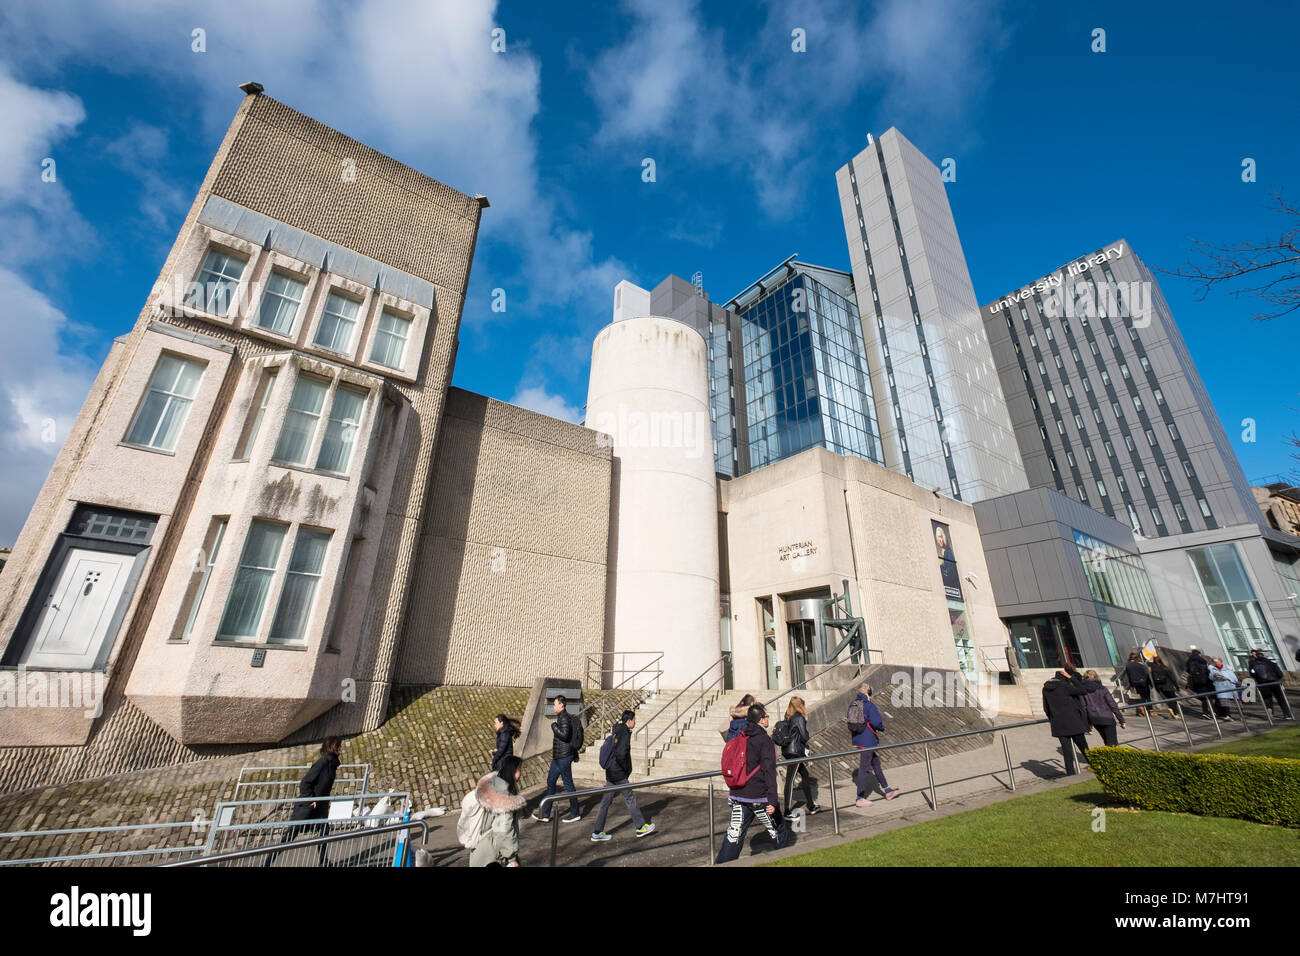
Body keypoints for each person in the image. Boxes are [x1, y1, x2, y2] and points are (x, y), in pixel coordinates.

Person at [715, 703, 789, 863]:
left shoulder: (740, 735)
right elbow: (769, 771)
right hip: (759, 795)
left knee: (734, 834)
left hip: (738, 793)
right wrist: (772, 800)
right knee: (778, 830)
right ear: (762, 720)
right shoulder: (764, 740)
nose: (768, 719)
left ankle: (723, 863)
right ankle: (785, 859)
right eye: (766, 717)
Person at [265, 735, 341, 867]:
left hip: (320, 807)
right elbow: (305, 782)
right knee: (289, 836)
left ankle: (323, 861)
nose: (341, 749)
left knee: (324, 831)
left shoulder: (332, 764)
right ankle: (266, 864)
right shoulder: (323, 762)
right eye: (339, 746)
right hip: (308, 807)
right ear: (333, 747)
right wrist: (311, 800)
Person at [591, 711, 656, 842]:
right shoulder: (624, 733)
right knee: (630, 798)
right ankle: (640, 827)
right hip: (618, 772)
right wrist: (626, 769)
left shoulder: (617, 730)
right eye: (634, 720)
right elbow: (621, 754)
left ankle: (597, 832)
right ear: (629, 721)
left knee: (606, 801)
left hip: (611, 771)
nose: (635, 722)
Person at [532, 695, 582, 823]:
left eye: (555, 704)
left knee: (568, 784)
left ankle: (575, 813)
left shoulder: (564, 717)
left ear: (561, 705)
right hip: (559, 756)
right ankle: (545, 814)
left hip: (564, 756)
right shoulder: (562, 717)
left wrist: (554, 727)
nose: (553, 706)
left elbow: (565, 735)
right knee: (550, 782)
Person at [469, 755, 526, 867]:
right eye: (519, 769)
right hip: (492, 856)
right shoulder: (504, 799)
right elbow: (503, 830)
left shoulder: (493, 787)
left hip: (481, 851)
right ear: (513, 771)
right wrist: (512, 858)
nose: (521, 773)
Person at [849, 682, 900, 805]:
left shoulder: (853, 704)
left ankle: (887, 791)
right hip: (868, 740)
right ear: (868, 693)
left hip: (858, 739)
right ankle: (860, 798)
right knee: (864, 768)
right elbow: (876, 722)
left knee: (876, 763)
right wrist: (882, 728)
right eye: (870, 693)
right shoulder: (869, 705)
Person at [1041, 667, 1091, 774]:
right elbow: (1083, 690)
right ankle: (1094, 766)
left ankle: (1070, 773)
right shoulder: (1064, 686)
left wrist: (1053, 718)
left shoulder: (1046, 689)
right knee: (1084, 748)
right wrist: (1071, 678)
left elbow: (1046, 708)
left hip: (1058, 723)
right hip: (1073, 721)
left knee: (1067, 751)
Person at [779, 697, 821, 816]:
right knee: (790, 780)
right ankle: (787, 810)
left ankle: (811, 805)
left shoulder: (788, 716)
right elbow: (804, 736)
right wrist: (805, 722)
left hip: (788, 750)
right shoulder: (799, 717)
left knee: (805, 775)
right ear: (800, 706)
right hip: (796, 752)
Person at [1081, 669, 1127, 746]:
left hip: (1094, 718)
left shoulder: (1083, 691)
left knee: (1106, 741)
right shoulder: (1102, 688)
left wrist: (1088, 722)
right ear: (1096, 677)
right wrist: (1121, 720)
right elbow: (1112, 704)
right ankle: (1112, 757)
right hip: (1107, 717)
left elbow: (1083, 707)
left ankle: (1108, 756)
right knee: (1113, 743)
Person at [1248, 650, 1292, 719]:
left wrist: (1258, 679)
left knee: (1267, 699)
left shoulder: (1253, 664)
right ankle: (1287, 714)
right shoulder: (1271, 663)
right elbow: (1280, 674)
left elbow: (1252, 674)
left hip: (1262, 684)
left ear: (1256, 656)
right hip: (1274, 682)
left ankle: (1270, 713)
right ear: (1263, 656)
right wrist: (1277, 678)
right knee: (1281, 699)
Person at [1184, 647, 1214, 719]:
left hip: (1196, 682)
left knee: (1203, 697)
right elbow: (1206, 670)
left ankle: (1207, 712)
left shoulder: (1189, 661)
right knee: (1209, 696)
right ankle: (1209, 711)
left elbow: (1188, 671)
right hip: (1205, 681)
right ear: (1199, 654)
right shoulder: (1202, 660)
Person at [1122, 651, 1153, 716]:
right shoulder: (1140, 664)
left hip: (1135, 683)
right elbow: (1146, 674)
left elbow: (1129, 676)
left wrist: (1132, 685)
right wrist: (1150, 683)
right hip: (1143, 682)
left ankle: (1141, 707)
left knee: (1142, 696)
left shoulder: (1128, 666)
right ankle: (1150, 710)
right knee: (1147, 697)